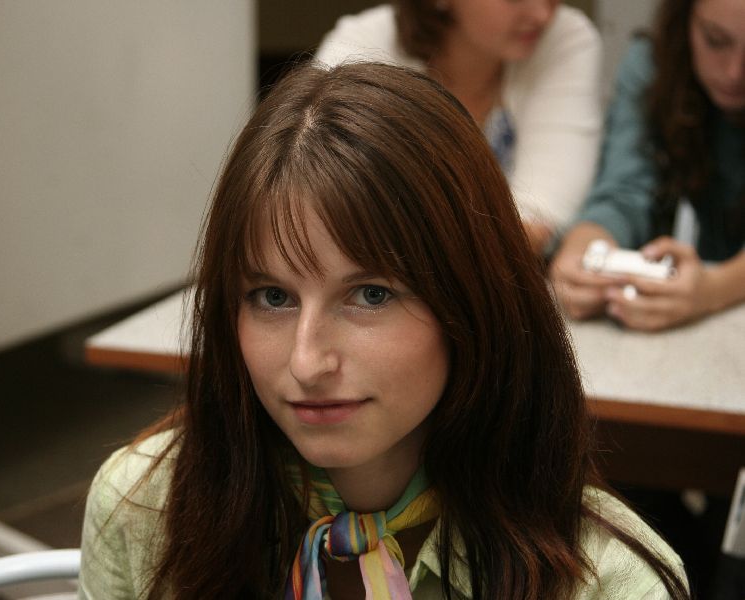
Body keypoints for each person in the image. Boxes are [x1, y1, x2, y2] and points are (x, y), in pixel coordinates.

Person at [78, 63, 689, 599]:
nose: (307, 362)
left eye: (371, 295)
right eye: (272, 297)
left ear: (475, 304)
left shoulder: (608, 584)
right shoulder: (141, 507)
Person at [313, 0, 603, 254]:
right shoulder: (361, 44)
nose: (542, 14)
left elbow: (542, 214)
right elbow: (334, 209)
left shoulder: (563, 37)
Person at [550, 0, 745, 331]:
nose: (734, 72)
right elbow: (626, 189)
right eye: (716, 40)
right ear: (684, 17)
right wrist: (586, 244)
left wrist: (714, 289)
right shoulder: (653, 66)